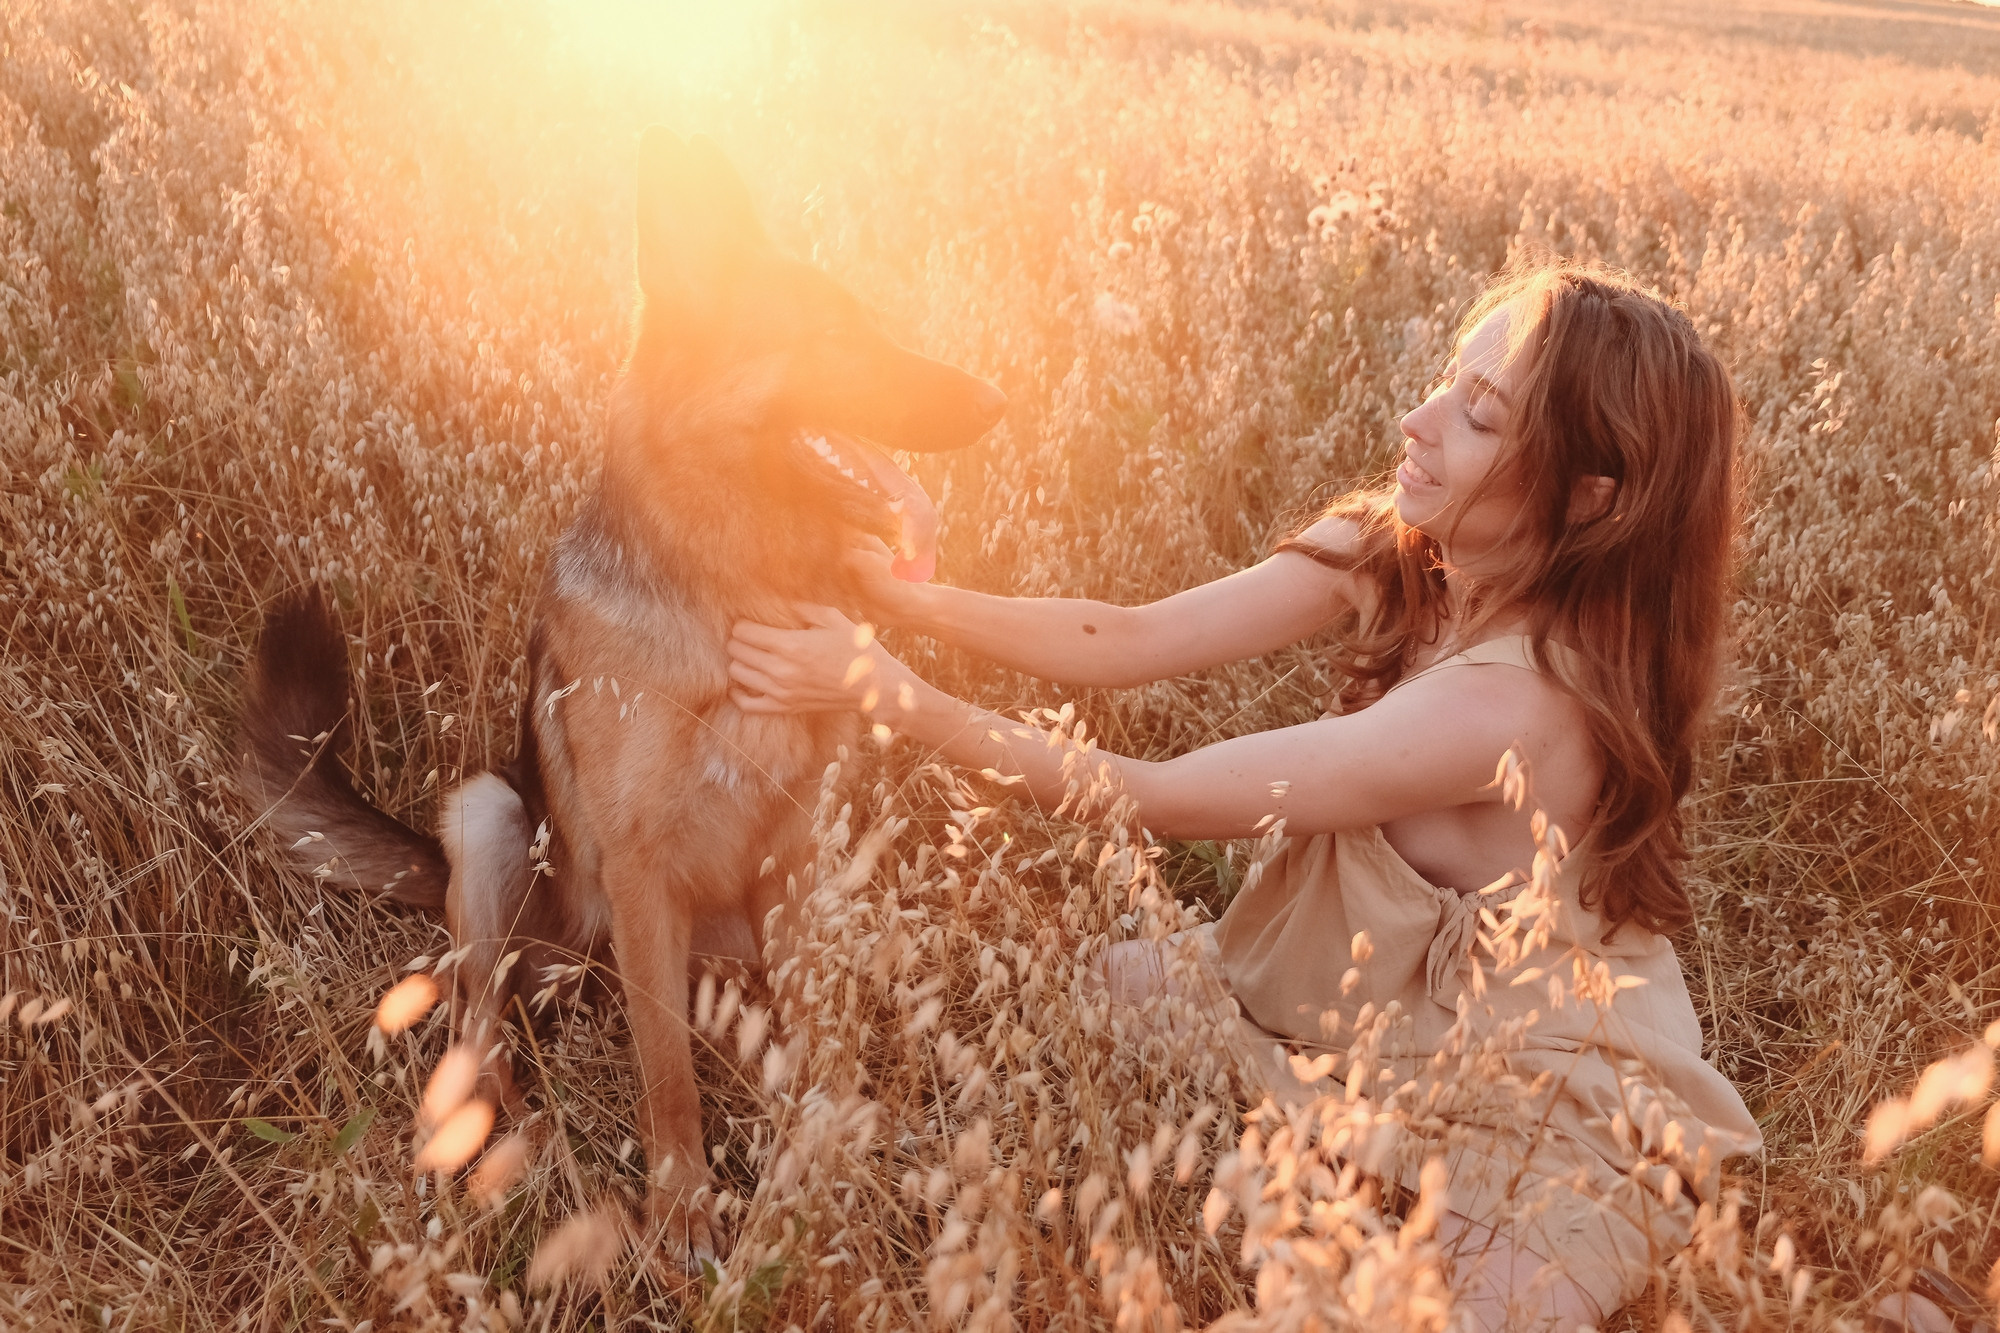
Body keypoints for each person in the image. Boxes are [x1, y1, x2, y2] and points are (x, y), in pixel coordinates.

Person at [724, 262, 1764, 1327]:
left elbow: (1152, 797)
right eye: (1450, 380)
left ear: (1591, 496)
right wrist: (903, 598)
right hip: (1333, 1012)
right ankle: (1334, 1135)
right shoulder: (1404, 550)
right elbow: (1126, 637)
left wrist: (883, 689)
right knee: (1110, 987)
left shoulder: (1518, 709)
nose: (1416, 420)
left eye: (1477, 415)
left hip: (1533, 1092)